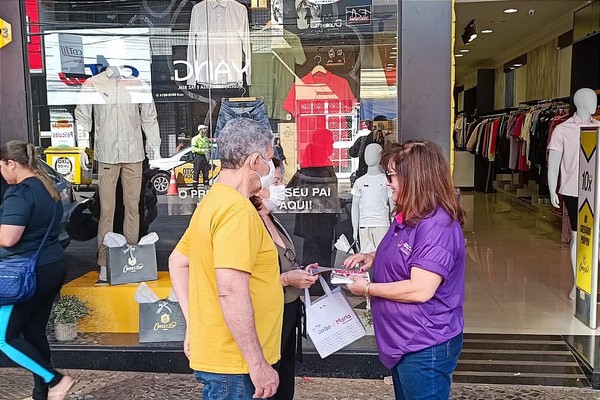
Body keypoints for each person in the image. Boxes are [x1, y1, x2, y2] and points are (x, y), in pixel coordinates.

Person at [168, 118, 282, 400]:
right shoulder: (237, 210)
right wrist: (257, 363)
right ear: (254, 161)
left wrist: (194, 324)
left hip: (225, 357)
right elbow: (230, 289)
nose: (271, 169)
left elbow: (178, 262)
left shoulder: (213, 201)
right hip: (237, 364)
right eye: (269, 159)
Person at [344, 140, 466, 400]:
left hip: (424, 344)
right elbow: (408, 252)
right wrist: (373, 257)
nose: (388, 182)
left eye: (392, 175)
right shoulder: (409, 216)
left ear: (416, 178)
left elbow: (421, 289)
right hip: (405, 340)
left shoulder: (436, 226)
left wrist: (365, 288)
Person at [0, 141, 75, 400]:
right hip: (52, 266)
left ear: (11, 163)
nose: (1, 172)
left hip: (22, 275)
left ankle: (55, 380)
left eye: (1, 165)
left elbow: (8, 238)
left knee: (5, 338)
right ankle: (41, 393)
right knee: (33, 332)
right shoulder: (46, 186)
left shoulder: (19, 193)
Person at [250, 158, 317, 400]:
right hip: (268, 314)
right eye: (276, 181)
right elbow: (244, 282)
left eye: (281, 181)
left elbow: (284, 259)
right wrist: (287, 279)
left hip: (288, 309)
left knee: (285, 376)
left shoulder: (272, 218)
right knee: (269, 378)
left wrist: (301, 271)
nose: (281, 188)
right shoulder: (249, 221)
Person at [547, 87, 600, 299]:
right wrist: (553, 190)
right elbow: (554, 164)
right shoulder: (562, 129)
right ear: (579, 102)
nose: (594, 102)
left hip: (596, 189)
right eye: (591, 99)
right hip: (573, 190)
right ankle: (579, 283)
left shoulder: (599, 128)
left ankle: (592, 282)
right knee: (579, 235)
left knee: (596, 236)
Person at [191, 124, 211, 189]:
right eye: (204, 129)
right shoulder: (195, 139)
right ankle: (194, 187)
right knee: (196, 171)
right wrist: (203, 150)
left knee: (206, 172)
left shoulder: (206, 138)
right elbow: (193, 149)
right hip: (198, 156)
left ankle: (206, 186)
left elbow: (208, 146)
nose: (205, 131)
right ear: (200, 130)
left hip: (205, 157)